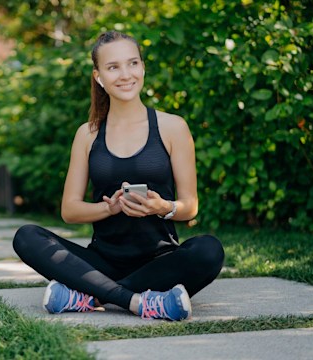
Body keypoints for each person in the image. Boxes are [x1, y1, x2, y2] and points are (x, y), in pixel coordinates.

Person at [12, 31, 225, 321]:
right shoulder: (87, 134)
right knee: (26, 237)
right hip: (101, 262)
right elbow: (70, 210)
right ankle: (140, 302)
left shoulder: (173, 127)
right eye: (113, 67)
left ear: (142, 68)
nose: (125, 74)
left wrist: (162, 207)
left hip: (159, 262)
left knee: (209, 250)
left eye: (132, 63)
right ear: (99, 77)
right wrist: (108, 208)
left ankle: (90, 295)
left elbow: (190, 206)